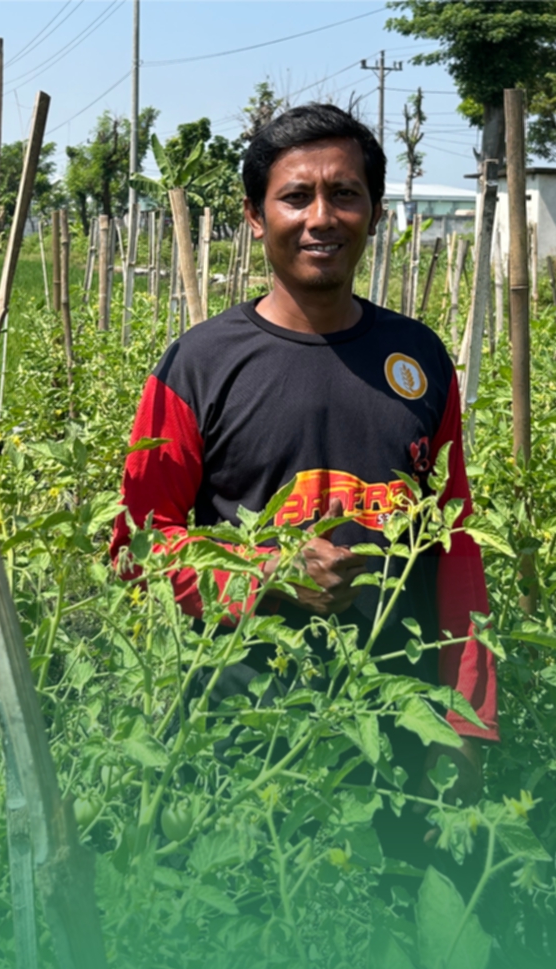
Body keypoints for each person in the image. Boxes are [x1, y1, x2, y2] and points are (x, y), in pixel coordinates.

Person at [108, 103, 497, 866]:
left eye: (344, 194)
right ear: (255, 216)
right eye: (296, 196)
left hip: (397, 732)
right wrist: (271, 573)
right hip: (244, 740)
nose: (322, 217)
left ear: (375, 212)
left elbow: (455, 551)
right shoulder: (200, 364)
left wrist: (467, 722)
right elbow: (138, 546)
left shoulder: (418, 358)